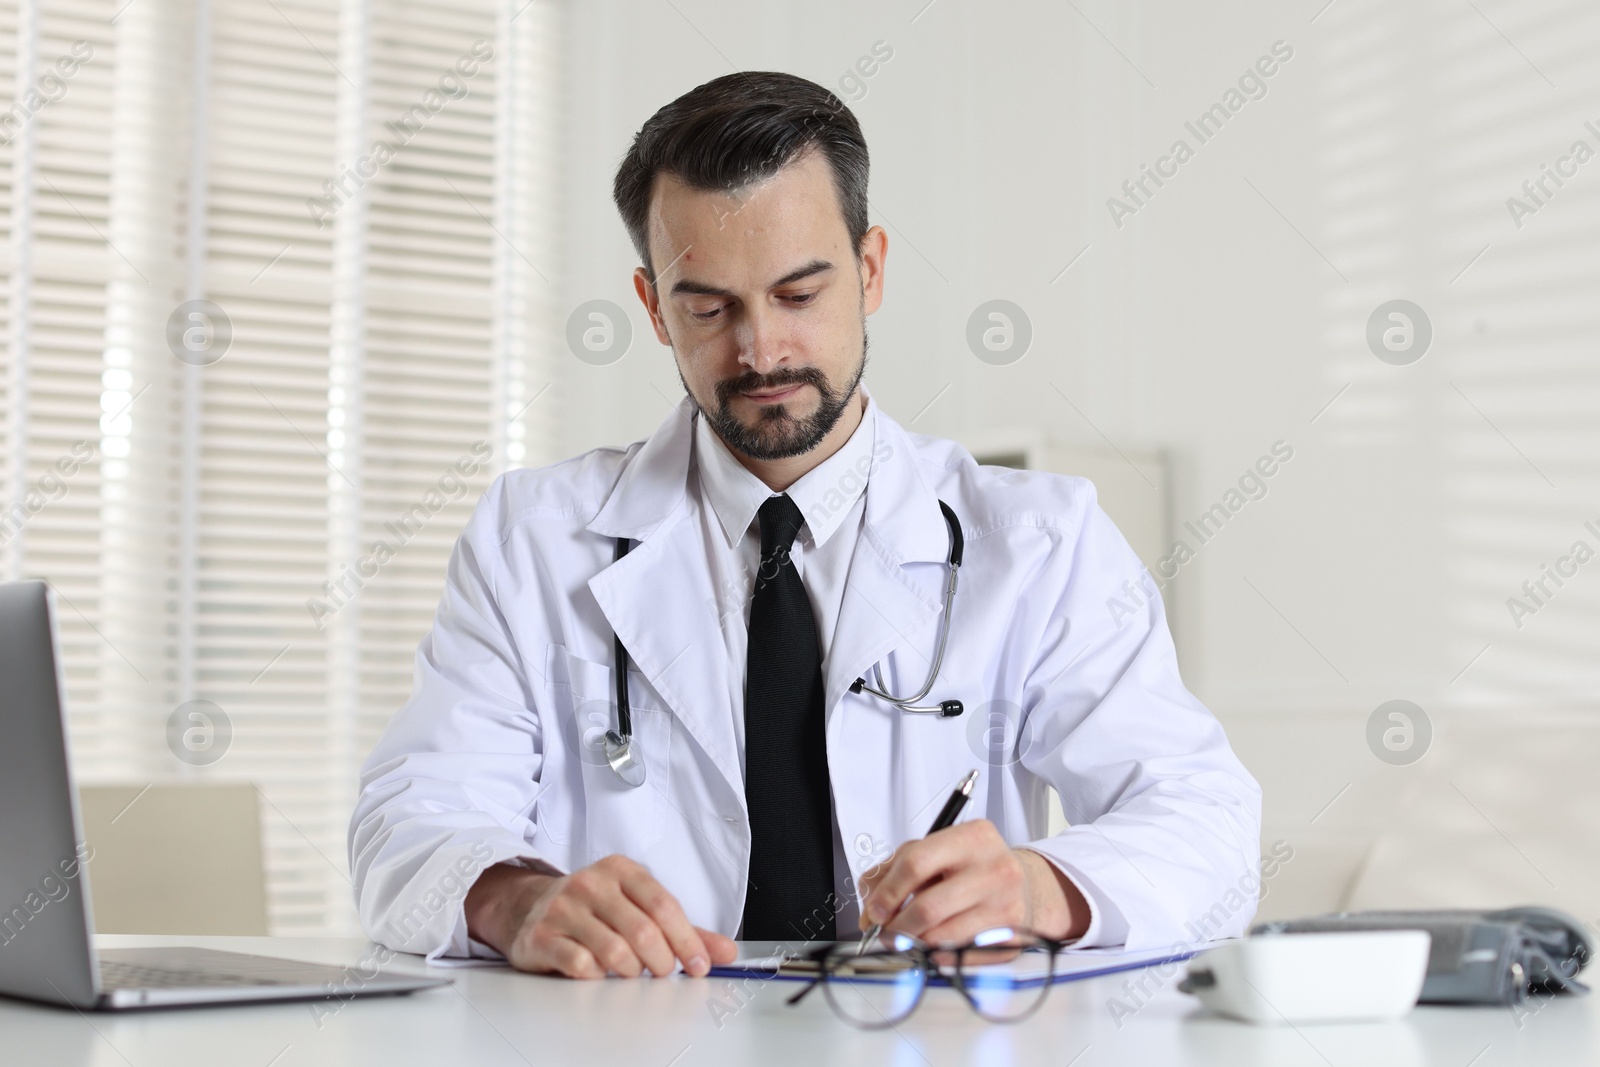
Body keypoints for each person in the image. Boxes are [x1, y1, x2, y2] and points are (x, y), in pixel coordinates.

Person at [349, 71, 1261, 980]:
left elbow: (1204, 820)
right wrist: (515, 897)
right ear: (652, 307)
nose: (760, 351)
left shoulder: (1041, 541)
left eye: (798, 295)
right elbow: (411, 817)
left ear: (869, 271)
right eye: (707, 307)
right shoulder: (533, 539)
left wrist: (1036, 887)